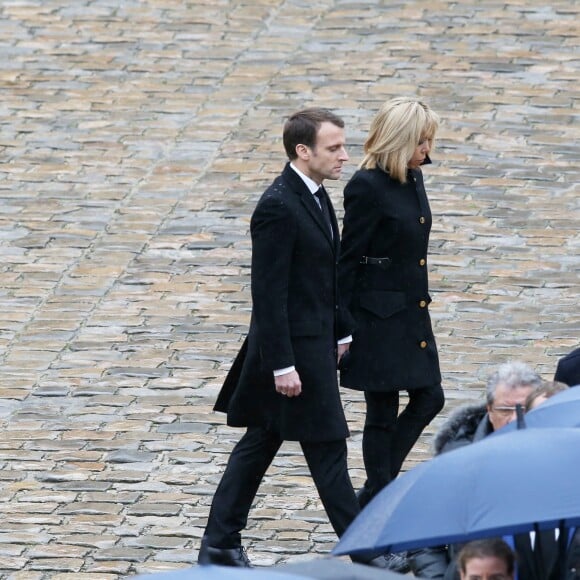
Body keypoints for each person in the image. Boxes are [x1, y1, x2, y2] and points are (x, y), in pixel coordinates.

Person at [197, 108, 390, 569]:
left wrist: (341, 328)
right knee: (328, 450)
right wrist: (282, 365)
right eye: (334, 148)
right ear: (303, 151)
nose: (345, 156)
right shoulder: (278, 206)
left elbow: (324, 278)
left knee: (259, 444)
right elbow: (268, 294)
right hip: (292, 358)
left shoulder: (318, 196)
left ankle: (219, 544)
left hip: (313, 346)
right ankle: (366, 553)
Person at [337, 96, 445, 509]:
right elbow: (347, 261)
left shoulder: (413, 177)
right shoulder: (365, 187)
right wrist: (341, 324)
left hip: (411, 313)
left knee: (430, 397)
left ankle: (374, 492)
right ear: (402, 141)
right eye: (422, 142)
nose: (427, 151)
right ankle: (380, 498)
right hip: (376, 319)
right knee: (380, 412)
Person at [408, 361, 547, 579]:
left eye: (523, 410)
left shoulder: (559, 455)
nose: (513, 418)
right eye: (505, 410)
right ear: (489, 410)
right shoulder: (457, 459)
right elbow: (424, 541)